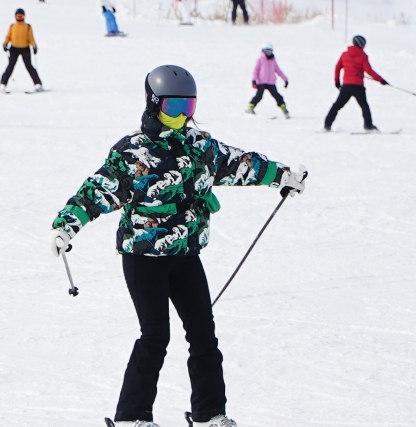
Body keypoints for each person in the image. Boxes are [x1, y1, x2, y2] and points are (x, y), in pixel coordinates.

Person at [49, 64, 307, 427]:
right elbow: (97, 191)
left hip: (186, 256)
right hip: (143, 257)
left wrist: (282, 175)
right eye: (174, 107)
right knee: (155, 336)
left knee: (204, 335)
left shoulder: (200, 147)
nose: (183, 116)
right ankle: (132, 417)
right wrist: (65, 226)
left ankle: (210, 414)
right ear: (154, 104)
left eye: (189, 107)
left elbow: (240, 164)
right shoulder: (132, 153)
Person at [324, 35, 388, 132]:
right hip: (358, 87)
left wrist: (337, 82)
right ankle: (368, 126)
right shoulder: (363, 56)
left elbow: (337, 67)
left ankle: (327, 125)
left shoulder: (344, 54)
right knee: (364, 106)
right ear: (361, 44)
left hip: (346, 86)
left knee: (337, 106)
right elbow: (369, 71)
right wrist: (381, 80)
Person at [0, 8, 43, 92]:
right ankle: (3, 83)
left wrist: (34, 46)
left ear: (24, 16)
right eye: (18, 16)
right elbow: (8, 37)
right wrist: (5, 44)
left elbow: (31, 38)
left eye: (21, 16)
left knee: (29, 66)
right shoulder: (12, 26)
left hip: (25, 49)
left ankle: (38, 84)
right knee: (10, 66)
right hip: (14, 49)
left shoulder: (28, 26)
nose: (19, 17)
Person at [247, 44, 290, 118]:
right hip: (261, 82)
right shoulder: (260, 60)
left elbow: (278, 71)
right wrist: (254, 80)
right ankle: (251, 107)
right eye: (266, 51)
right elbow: (255, 71)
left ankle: (284, 108)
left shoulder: (273, 61)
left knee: (277, 95)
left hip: (271, 82)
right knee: (259, 96)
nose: (268, 53)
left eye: (270, 51)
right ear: (263, 51)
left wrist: (285, 79)